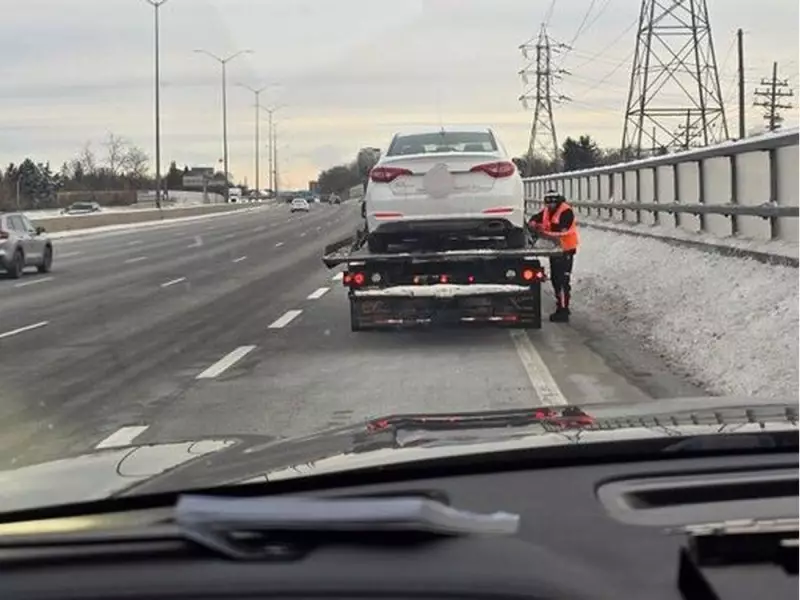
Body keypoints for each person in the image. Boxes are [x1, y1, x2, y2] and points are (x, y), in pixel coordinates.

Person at [527, 191, 580, 323]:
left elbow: (560, 230)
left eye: (553, 202)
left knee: (562, 280)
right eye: (548, 202)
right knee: (556, 279)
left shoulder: (566, 211)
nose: (550, 205)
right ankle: (561, 306)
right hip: (555, 250)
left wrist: (541, 231)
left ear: (558, 201)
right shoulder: (546, 211)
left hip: (565, 249)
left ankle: (563, 310)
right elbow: (536, 218)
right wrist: (533, 223)